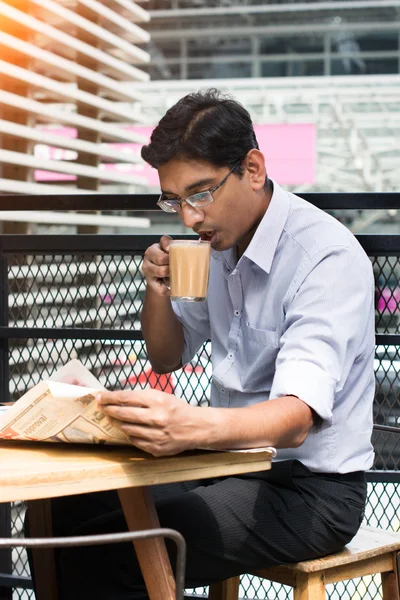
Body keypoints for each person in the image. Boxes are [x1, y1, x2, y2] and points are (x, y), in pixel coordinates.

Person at [31, 89, 375, 599]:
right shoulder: (213, 246)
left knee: (118, 551)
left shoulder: (324, 258)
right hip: (220, 465)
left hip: (309, 490)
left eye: (199, 193)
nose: (187, 218)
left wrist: (188, 427)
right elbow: (167, 356)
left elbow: (297, 419)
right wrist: (157, 290)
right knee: (69, 504)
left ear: (253, 169)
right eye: (174, 199)